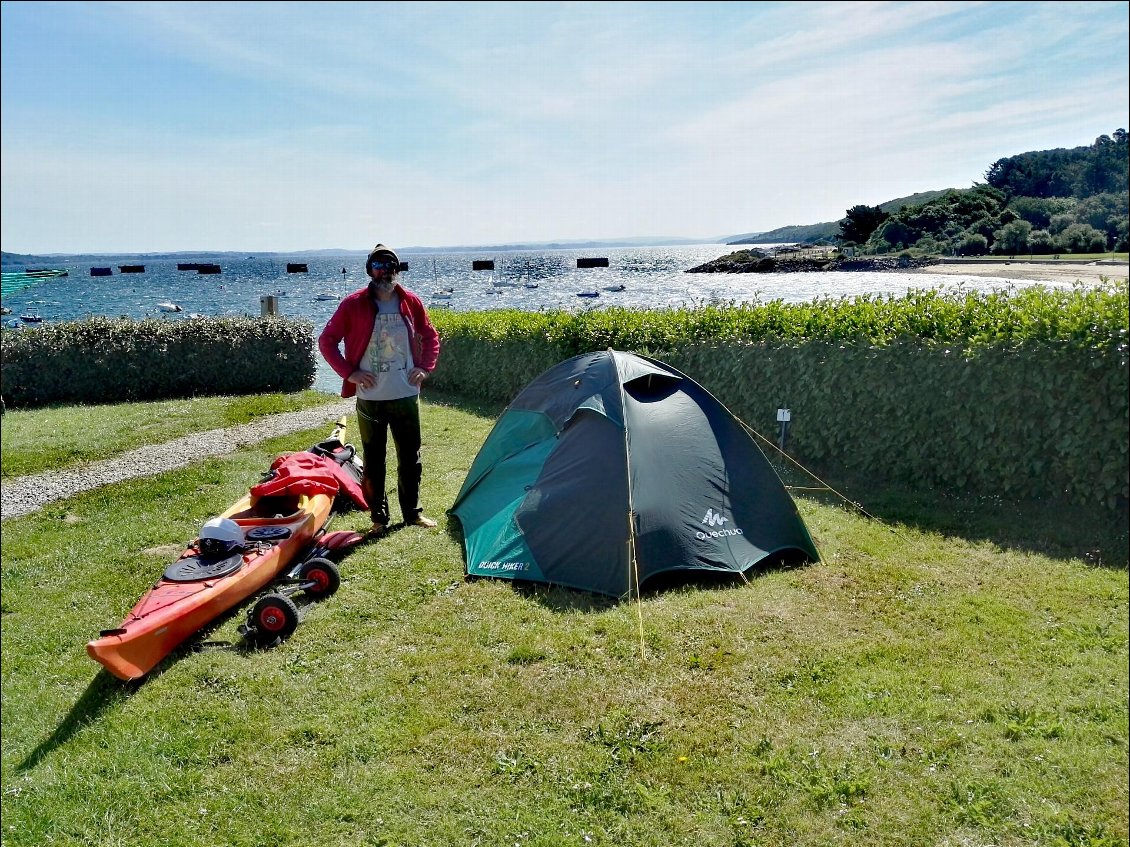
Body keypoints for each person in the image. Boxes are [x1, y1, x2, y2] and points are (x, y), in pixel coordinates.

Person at [318, 244, 441, 535]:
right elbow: (327, 341)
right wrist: (351, 373)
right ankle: (378, 519)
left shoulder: (411, 301)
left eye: (390, 266)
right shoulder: (353, 304)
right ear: (369, 270)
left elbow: (430, 336)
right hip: (371, 400)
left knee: (411, 458)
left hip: (406, 396)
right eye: (378, 265)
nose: (384, 272)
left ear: (397, 270)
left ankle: (412, 513)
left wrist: (424, 367)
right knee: (374, 462)